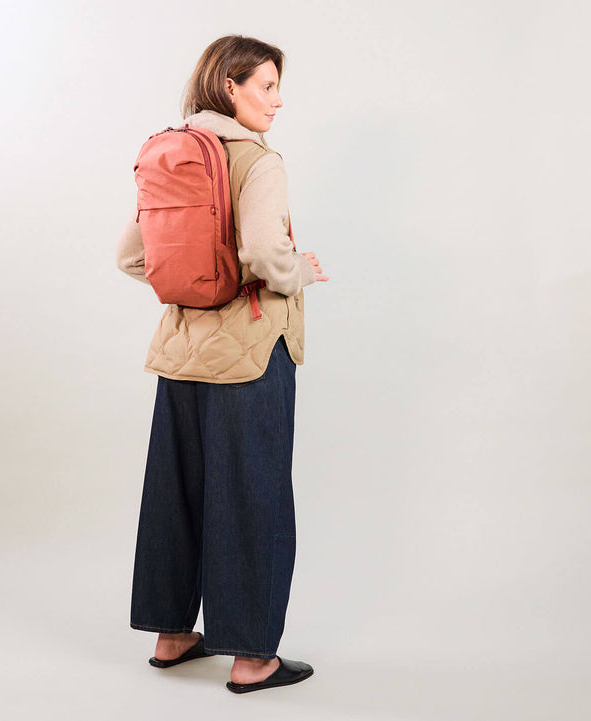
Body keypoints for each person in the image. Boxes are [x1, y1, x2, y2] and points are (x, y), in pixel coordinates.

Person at [115, 34, 329, 694]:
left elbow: (132, 256)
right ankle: (253, 656)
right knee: (253, 497)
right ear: (229, 87)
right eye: (265, 86)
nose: (277, 99)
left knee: (175, 494)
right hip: (250, 356)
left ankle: (173, 633)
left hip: (181, 354)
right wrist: (299, 274)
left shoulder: (173, 152)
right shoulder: (256, 161)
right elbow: (267, 255)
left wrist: (201, 273)